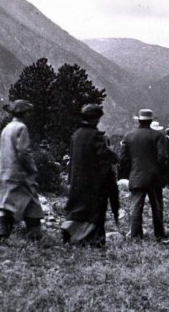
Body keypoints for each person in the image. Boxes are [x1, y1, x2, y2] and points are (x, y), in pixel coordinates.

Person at [62, 104, 119, 247]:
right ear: (95, 119)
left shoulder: (76, 135)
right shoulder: (96, 136)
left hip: (77, 179)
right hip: (94, 181)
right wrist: (113, 154)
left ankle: (71, 231)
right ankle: (95, 240)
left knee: (77, 207)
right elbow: (105, 155)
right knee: (96, 210)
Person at [0, 99, 45, 243]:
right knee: (32, 204)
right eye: (28, 112)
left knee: (6, 205)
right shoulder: (21, 128)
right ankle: (35, 236)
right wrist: (32, 168)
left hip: (5, 173)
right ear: (24, 113)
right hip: (20, 175)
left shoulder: (6, 128)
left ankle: (1, 236)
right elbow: (23, 152)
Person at [119, 108, 168, 241]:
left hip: (136, 176)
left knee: (136, 207)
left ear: (139, 121)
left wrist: (132, 170)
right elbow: (162, 157)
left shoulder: (128, 136)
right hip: (154, 177)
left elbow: (123, 158)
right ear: (151, 121)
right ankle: (159, 235)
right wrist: (160, 172)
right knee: (157, 207)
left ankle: (136, 235)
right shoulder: (159, 136)